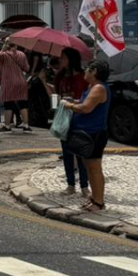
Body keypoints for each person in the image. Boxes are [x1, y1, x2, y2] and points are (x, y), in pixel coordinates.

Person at [62, 62, 111, 212]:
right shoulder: (92, 87)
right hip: (86, 132)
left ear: (94, 71)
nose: (84, 73)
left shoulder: (99, 88)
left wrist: (69, 106)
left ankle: (99, 202)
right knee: (89, 166)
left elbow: (86, 108)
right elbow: (84, 102)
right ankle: (94, 198)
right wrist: (74, 101)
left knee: (95, 168)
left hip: (94, 133)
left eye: (87, 70)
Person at [53, 47, 90, 196]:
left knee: (81, 153)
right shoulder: (61, 77)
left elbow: (86, 98)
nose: (61, 60)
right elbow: (56, 95)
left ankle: (84, 186)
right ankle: (70, 184)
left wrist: (72, 101)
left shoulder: (83, 77)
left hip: (79, 118)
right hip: (64, 118)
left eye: (63, 57)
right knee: (66, 153)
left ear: (71, 60)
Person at [0, 41, 31, 132]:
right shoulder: (22, 54)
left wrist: (2, 50)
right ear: (16, 45)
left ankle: (7, 126)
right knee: (23, 103)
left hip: (8, 82)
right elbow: (27, 68)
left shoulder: (4, 54)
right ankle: (26, 125)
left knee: (8, 104)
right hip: (21, 81)